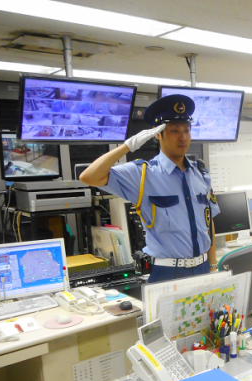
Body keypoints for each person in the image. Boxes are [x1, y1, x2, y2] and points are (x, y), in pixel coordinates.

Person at [80, 95, 220, 283]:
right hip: (167, 272)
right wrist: (126, 146)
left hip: (203, 269)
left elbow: (208, 223)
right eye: (174, 130)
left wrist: (213, 266)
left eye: (187, 130)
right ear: (157, 134)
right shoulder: (142, 174)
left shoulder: (201, 173)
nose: (183, 137)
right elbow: (89, 177)